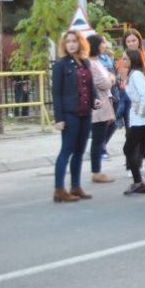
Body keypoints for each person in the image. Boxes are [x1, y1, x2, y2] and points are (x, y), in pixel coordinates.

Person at [51, 30, 100, 203]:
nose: (71, 44)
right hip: (69, 114)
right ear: (64, 45)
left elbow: (90, 85)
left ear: (80, 43)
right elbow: (56, 94)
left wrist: (96, 100)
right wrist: (59, 119)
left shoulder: (85, 63)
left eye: (74, 41)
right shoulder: (60, 65)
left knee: (79, 151)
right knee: (67, 150)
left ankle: (75, 186)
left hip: (85, 113)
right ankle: (59, 189)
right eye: (68, 41)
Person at [122, 49, 145, 195]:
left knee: (128, 148)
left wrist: (140, 109)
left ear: (133, 59)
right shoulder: (135, 73)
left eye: (125, 59)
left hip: (141, 120)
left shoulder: (136, 74)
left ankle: (138, 182)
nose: (122, 61)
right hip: (140, 119)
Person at [86, 34, 116, 184]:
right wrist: (110, 79)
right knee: (97, 140)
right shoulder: (90, 63)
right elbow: (103, 83)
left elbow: (109, 77)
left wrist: (110, 78)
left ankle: (97, 167)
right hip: (98, 106)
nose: (105, 45)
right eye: (102, 43)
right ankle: (96, 171)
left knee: (108, 130)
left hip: (105, 104)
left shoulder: (97, 61)